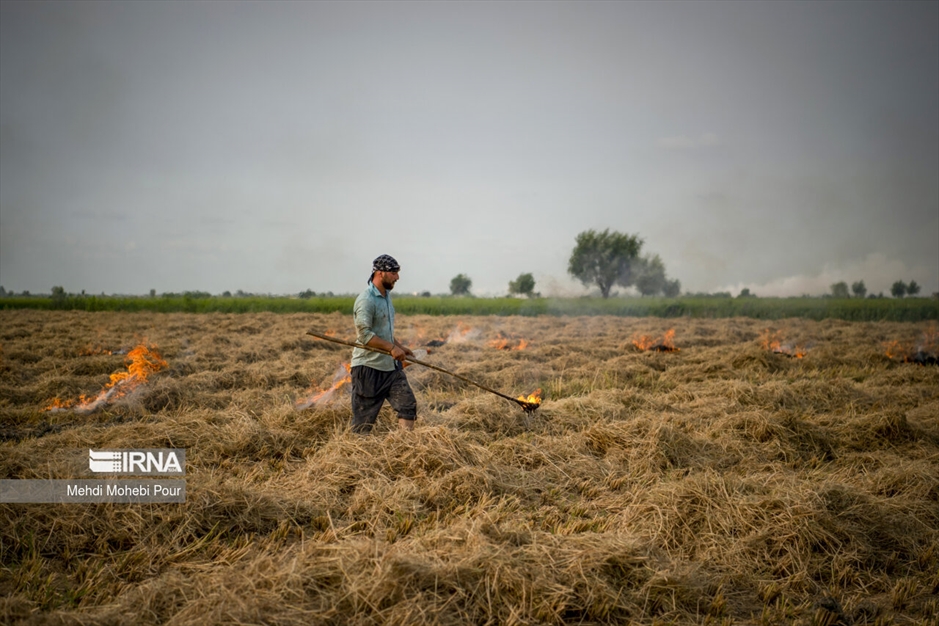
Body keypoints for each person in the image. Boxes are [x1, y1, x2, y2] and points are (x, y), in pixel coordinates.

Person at [350, 254, 417, 433]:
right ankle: (358, 449)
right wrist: (391, 348)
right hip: (368, 369)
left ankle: (405, 445)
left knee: (407, 406)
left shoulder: (386, 296)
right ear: (380, 273)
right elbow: (365, 336)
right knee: (363, 425)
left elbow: (384, 333)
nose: (397, 277)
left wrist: (400, 347)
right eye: (394, 273)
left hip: (390, 368)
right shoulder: (366, 300)